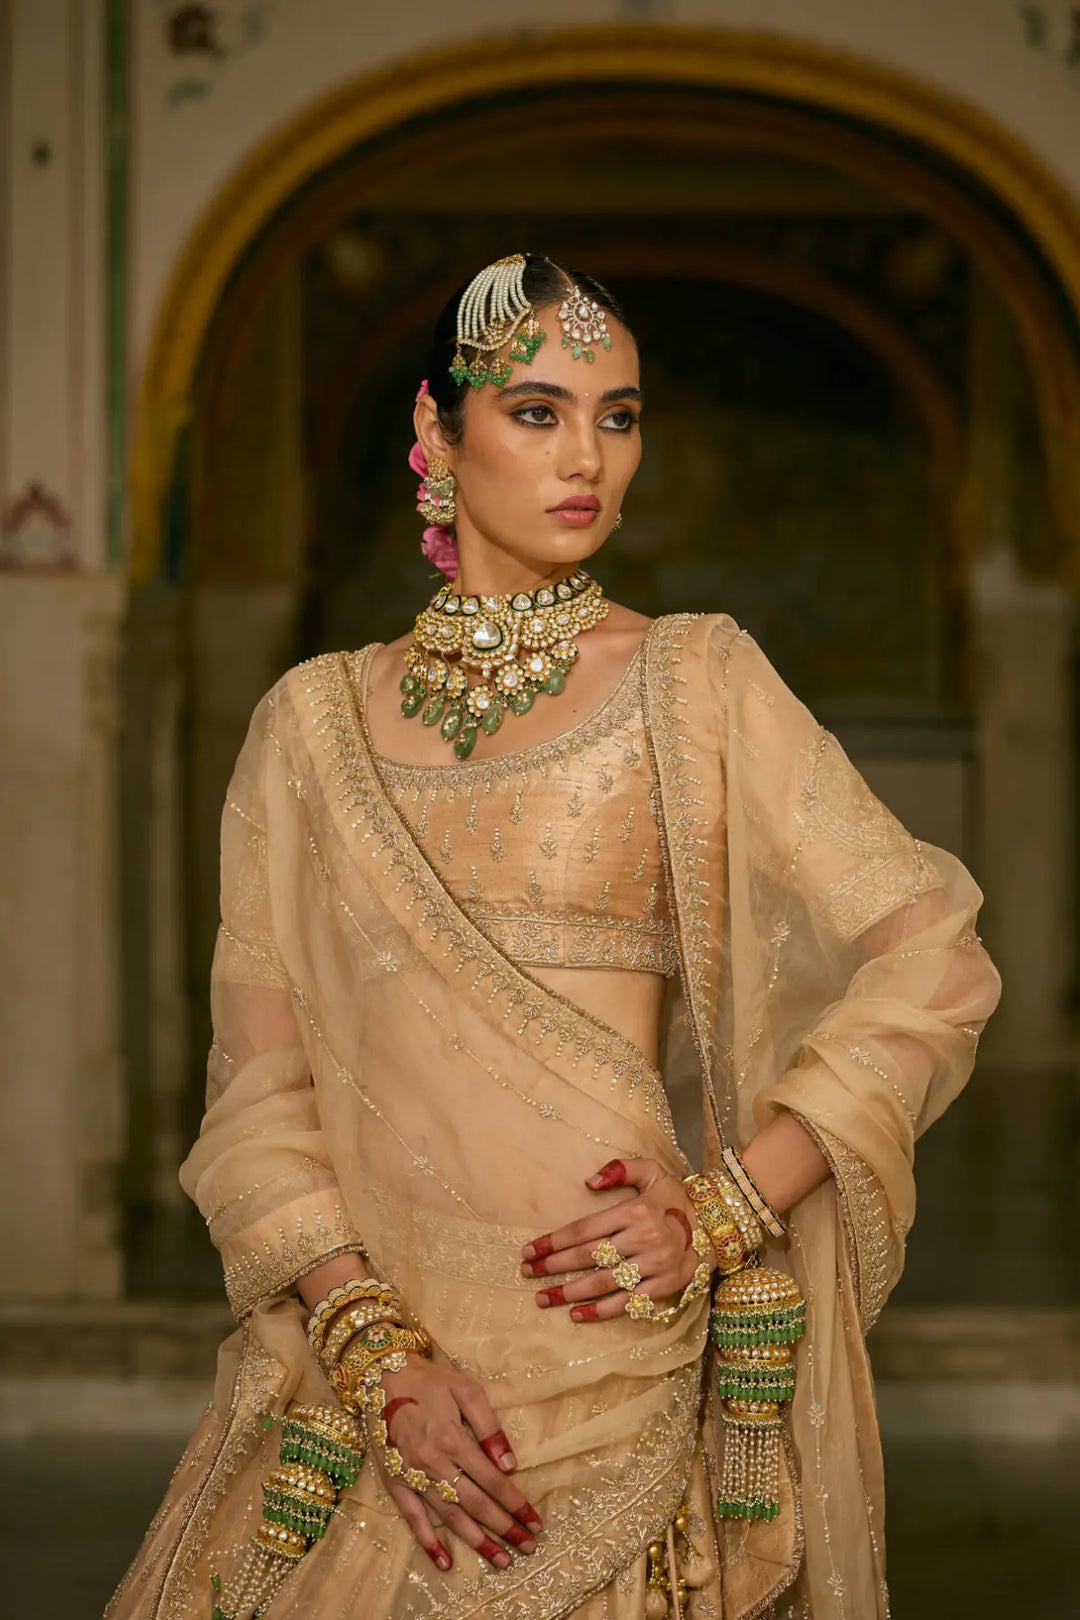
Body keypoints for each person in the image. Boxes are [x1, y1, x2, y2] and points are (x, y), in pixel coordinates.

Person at [107, 254, 1001, 1620]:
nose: (589, 458)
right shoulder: (309, 728)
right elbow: (260, 1095)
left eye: (618, 416)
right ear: (436, 429)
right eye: (537, 412)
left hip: (614, 1366)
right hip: (379, 1391)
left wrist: (733, 1201)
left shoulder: (695, 682)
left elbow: (934, 952)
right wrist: (372, 1347)